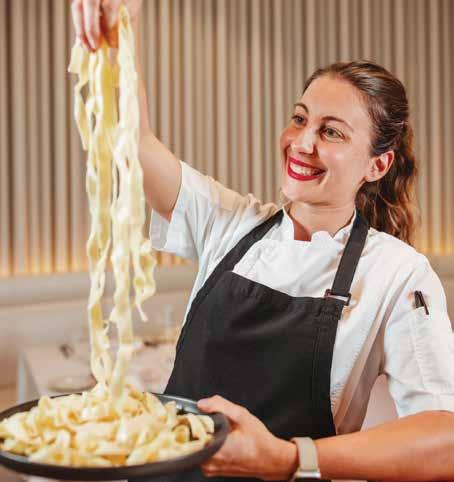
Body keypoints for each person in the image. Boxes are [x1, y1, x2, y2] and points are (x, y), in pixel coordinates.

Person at [71, 1, 454, 481]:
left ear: (378, 165)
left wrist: (286, 458)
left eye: (331, 132)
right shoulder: (230, 222)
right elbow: (133, 142)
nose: (302, 142)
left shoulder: (398, 274)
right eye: (300, 118)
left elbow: (444, 439)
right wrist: (119, 36)